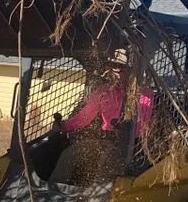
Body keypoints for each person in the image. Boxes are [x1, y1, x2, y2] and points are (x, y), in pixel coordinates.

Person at [48, 50, 154, 184]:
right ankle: (54, 190)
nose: (115, 69)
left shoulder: (143, 94)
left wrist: (125, 126)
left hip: (132, 144)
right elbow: (84, 117)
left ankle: (97, 199)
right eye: (112, 65)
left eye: (120, 66)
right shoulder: (103, 91)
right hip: (106, 139)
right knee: (70, 154)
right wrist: (64, 126)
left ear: (132, 70)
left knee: (107, 160)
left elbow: (142, 123)